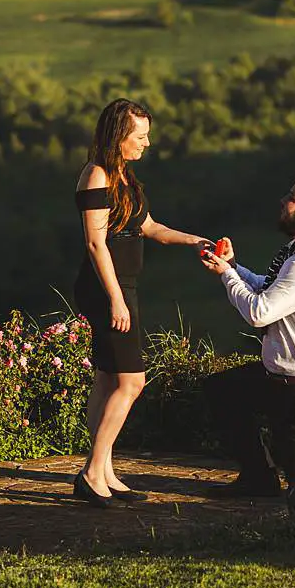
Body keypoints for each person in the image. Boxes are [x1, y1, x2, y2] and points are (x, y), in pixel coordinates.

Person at [72, 98, 208, 507]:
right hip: (107, 289)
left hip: (122, 286)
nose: (147, 143)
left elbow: (148, 227)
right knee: (133, 382)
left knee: (107, 378)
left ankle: (104, 469)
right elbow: (96, 244)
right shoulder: (96, 176)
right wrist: (116, 299)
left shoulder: (124, 178)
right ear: (119, 136)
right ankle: (93, 474)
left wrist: (196, 241)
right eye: (140, 136)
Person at [199, 168, 295, 496]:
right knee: (223, 391)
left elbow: (259, 311)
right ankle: (257, 478)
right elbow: (272, 292)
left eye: (291, 198)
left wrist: (227, 275)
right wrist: (234, 267)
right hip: (289, 382)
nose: (283, 201)